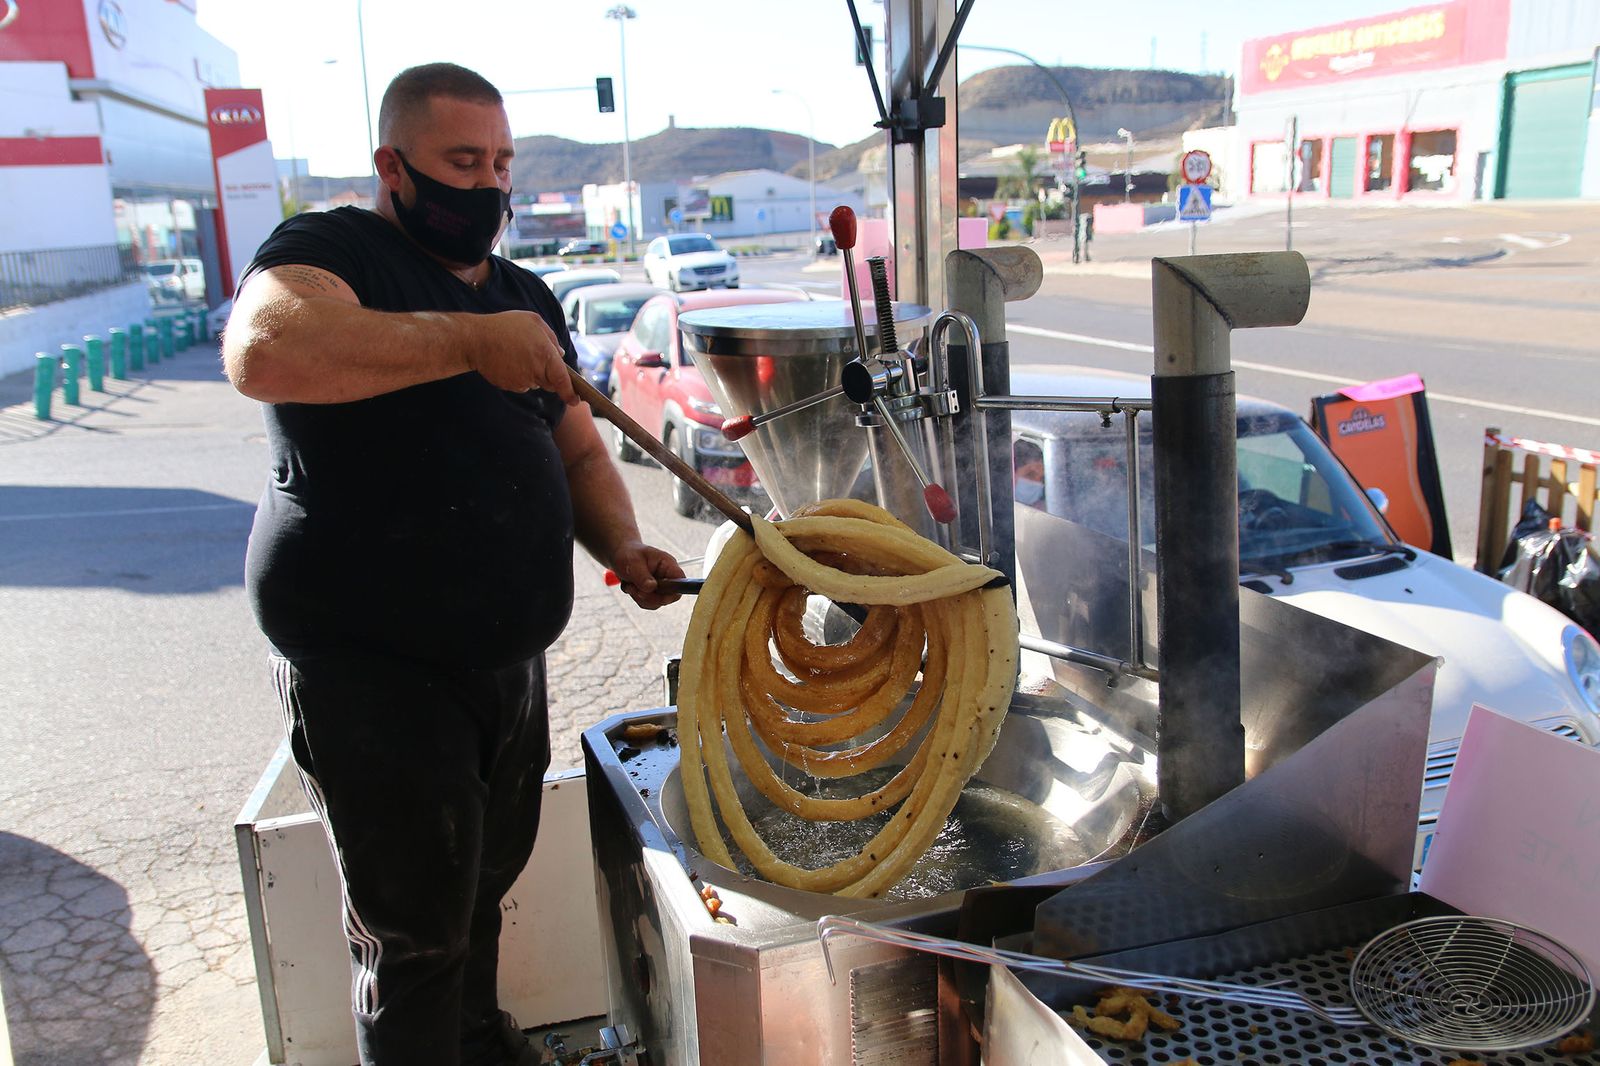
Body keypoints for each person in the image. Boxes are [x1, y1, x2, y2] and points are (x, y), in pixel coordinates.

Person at [222, 62, 683, 1066]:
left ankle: (477, 1042)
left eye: (501, 162)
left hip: (504, 660)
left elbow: (574, 445)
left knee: (477, 888)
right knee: (413, 934)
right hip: (370, 665)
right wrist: (466, 343)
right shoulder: (335, 250)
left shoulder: (524, 295)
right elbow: (264, 347)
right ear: (392, 165)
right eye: (460, 161)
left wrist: (622, 545)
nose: (486, 185)